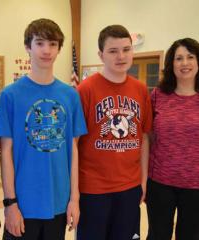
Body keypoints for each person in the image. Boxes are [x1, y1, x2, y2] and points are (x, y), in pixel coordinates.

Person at [0, 18, 87, 240]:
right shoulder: (10, 95)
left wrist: (74, 199)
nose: (46, 50)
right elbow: (5, 152)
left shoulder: (70, 95)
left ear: (59, 49)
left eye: (53, 44)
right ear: (28, 47)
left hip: (58, 202)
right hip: (23, 204)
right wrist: (10, 204)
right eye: (39, 43)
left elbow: (73, 150)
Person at [76, 25, 152, 240]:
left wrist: (143, 181)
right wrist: (74, 191)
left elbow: (143, 138)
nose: (121, 56)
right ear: (101, 55)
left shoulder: (140, 90)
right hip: (92, 189)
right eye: (113, 51)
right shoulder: (85, 90)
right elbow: (74, 143)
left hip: (129, 187)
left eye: (126, 49)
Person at [146, 38, 199, 240]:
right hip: (160, 183)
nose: (184, 63)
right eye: (179, 58)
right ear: (171, 64)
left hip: (195, 186)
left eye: (190, 57)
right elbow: (148, 136)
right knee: (157, 235)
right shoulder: (158, 95)